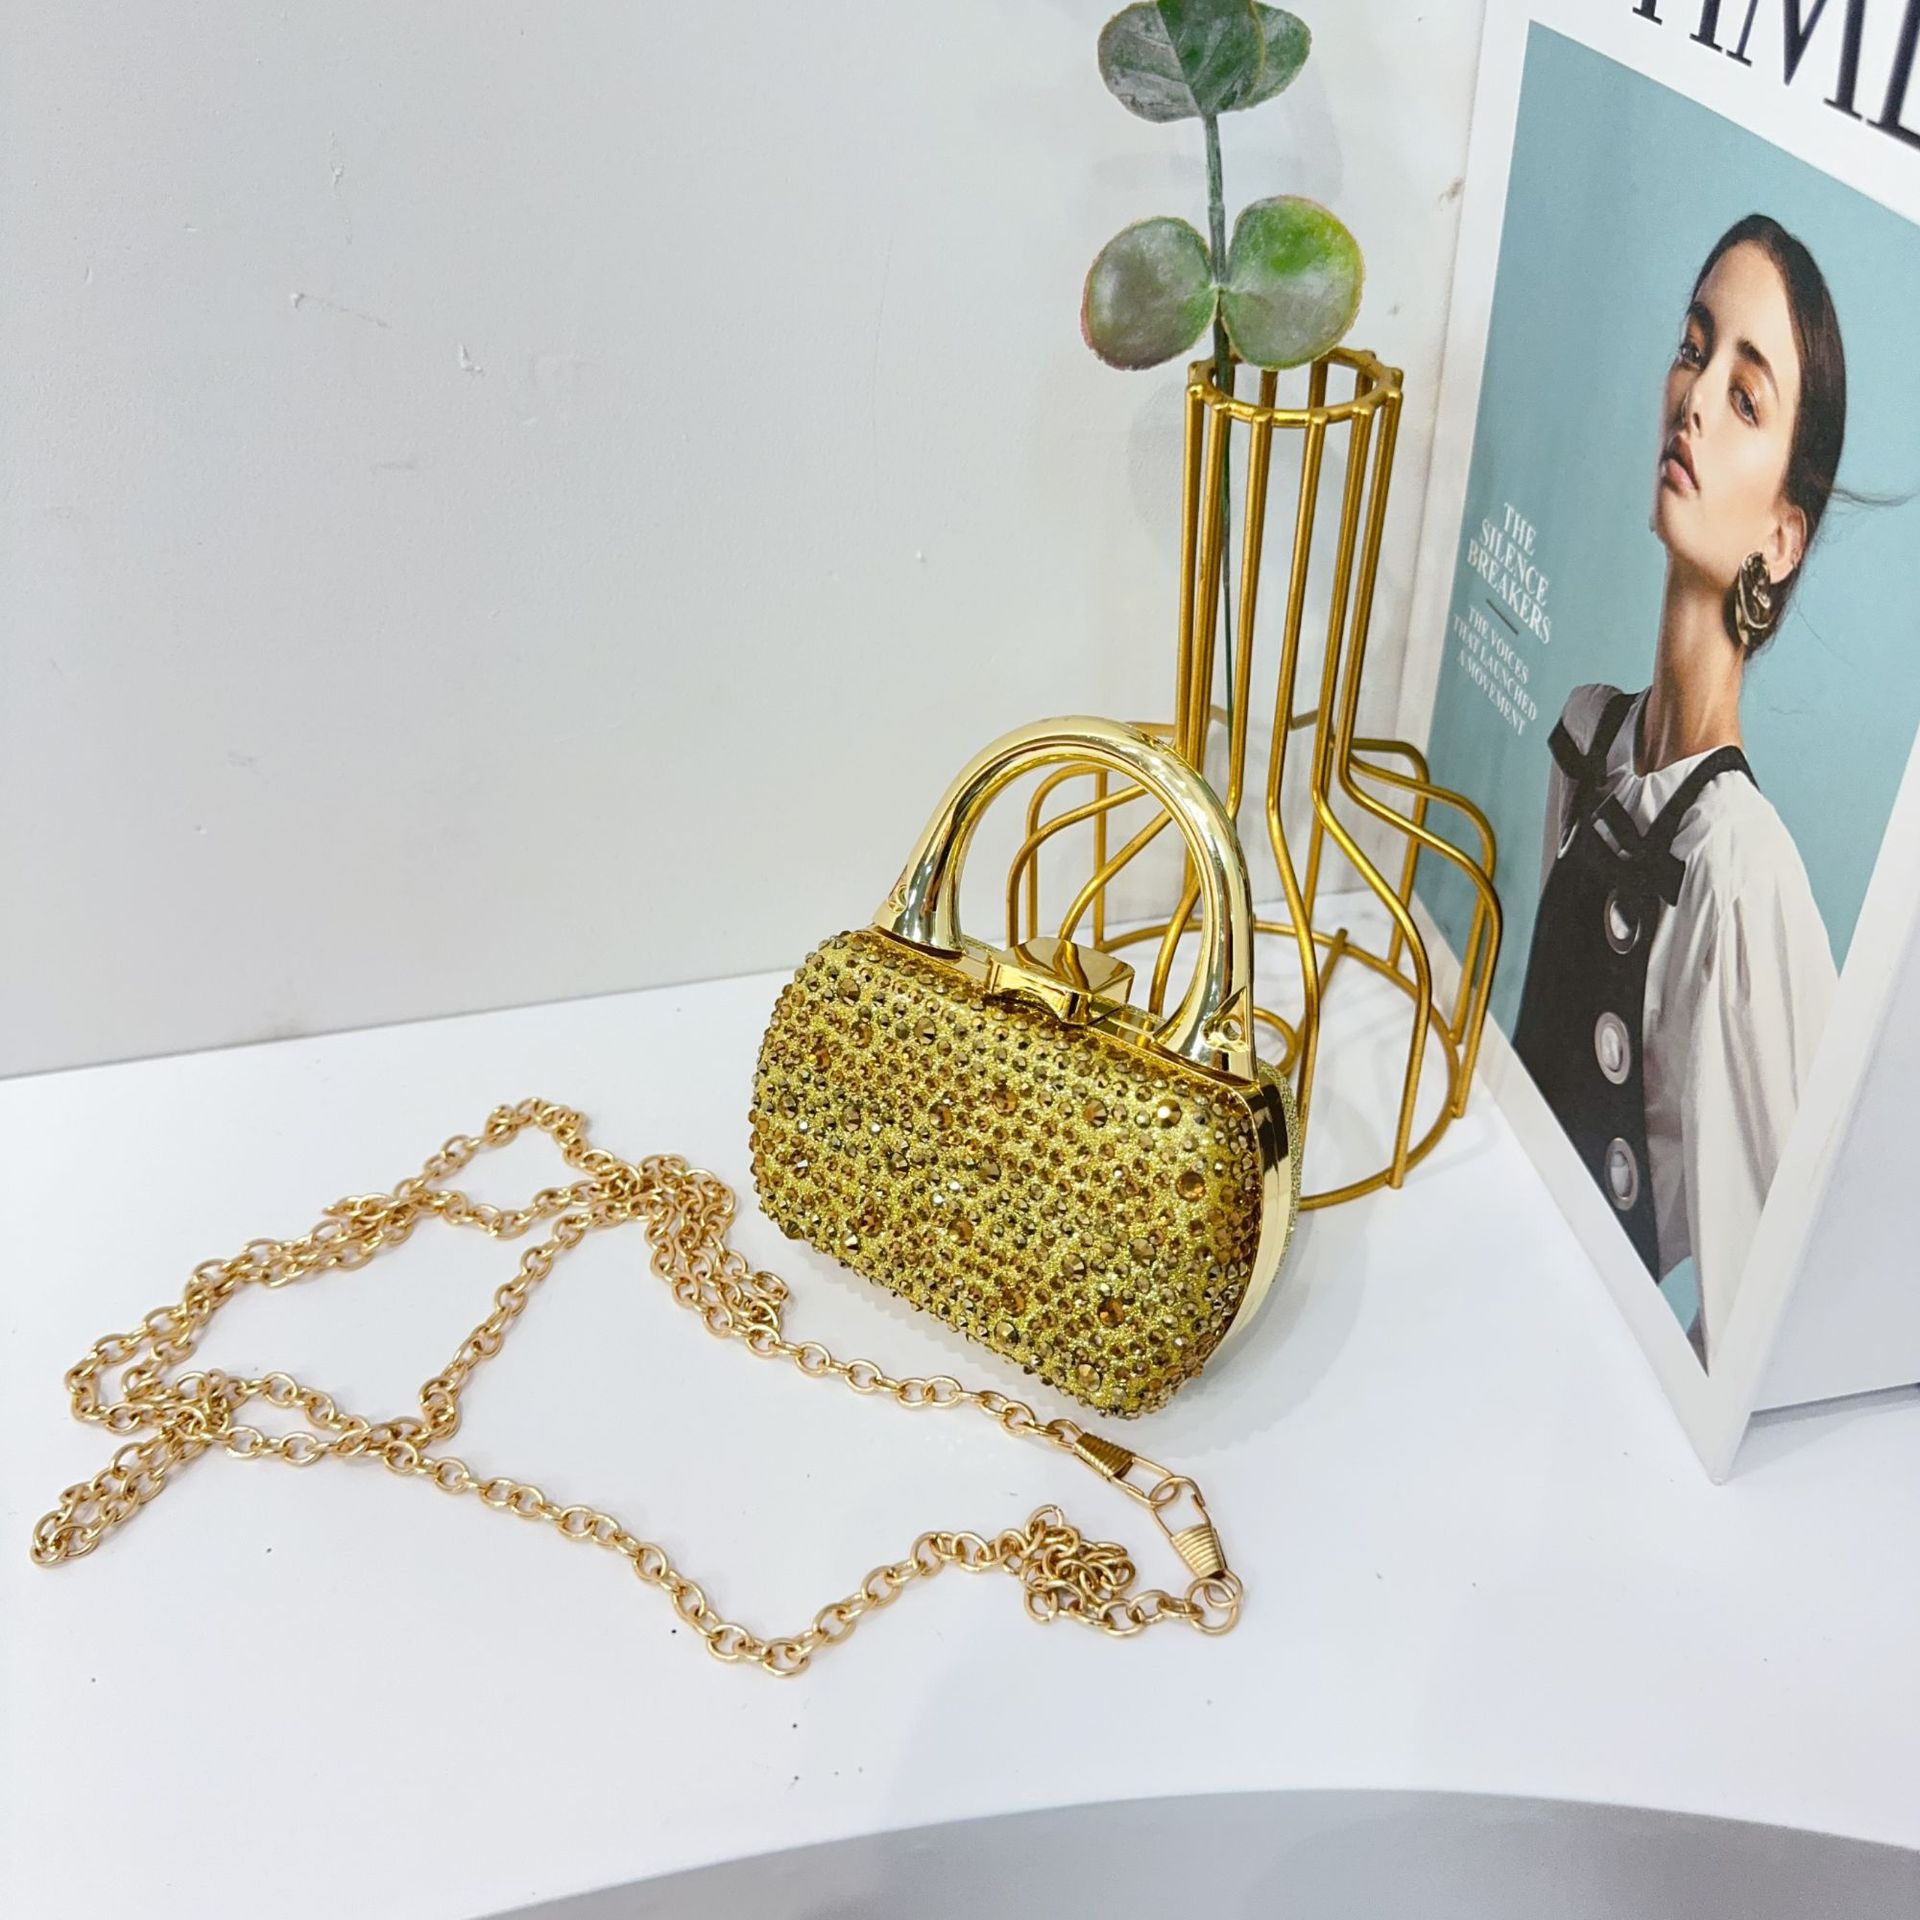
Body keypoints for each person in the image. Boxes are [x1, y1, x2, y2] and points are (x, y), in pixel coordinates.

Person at [1512, 214, 1842, 1367]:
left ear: (1782, 538)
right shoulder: (1586, 733)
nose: (1693, 398)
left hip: (1581, 1365)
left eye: (1744, 397)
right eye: (1693, 349)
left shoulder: (1742, 874)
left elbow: (1764, 1319)